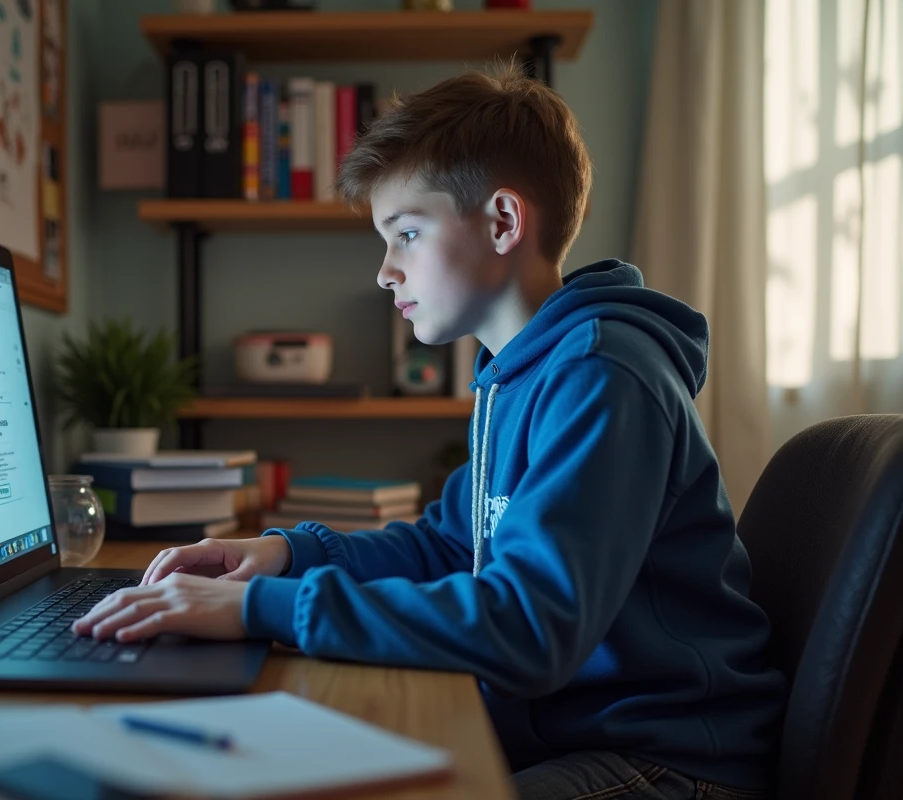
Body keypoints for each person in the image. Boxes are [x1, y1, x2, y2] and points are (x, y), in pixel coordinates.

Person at [72, 63, 785, 799]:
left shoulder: (603, 376)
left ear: (504, 222)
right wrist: (286, 553)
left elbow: (529, 629)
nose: (385, 272)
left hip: (667, 759)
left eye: (407, 233)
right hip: (568, 732)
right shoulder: (516, 373)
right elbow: (448, 545)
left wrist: (260, 609)